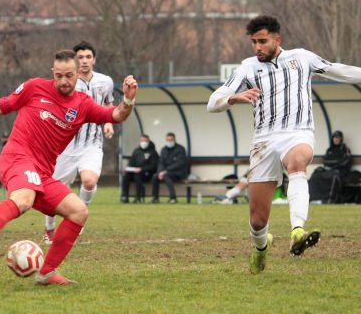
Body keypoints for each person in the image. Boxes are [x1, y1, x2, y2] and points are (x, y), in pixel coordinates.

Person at [0, 49, 138, 285]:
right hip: (17, 157)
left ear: (78, 73)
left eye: (68, 75)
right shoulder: (34, 87)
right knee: (23, 200)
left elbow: (117, 115)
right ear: (52, 73)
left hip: (42, 173)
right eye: (58, 76)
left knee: (79, 211)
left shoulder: (83, 105)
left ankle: (47, 273)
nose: (63, 81)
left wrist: (128, 99)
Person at [207, 15, 361, 274]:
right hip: (263, 141)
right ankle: (260, 246)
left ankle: (297, 231)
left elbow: (339, 70)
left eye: (262, 41)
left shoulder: (301, 57)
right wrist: (234, 97)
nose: (257, 47)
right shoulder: (247, 67)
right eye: (254, 42)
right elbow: (213, 103)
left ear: (277, 40)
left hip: (297, 133)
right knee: (257, 221)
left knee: (298, 162)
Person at [44, 41, 115, 244]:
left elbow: (109, 104)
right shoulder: (66, 83)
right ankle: (49, 227)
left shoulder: (105, 82)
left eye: (88, 57)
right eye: (80, 57)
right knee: (54, 191)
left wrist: (108, 122)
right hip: (65, 146)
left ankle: (78, 219)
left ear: (94, 59)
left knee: (89, 181)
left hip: (92, 144)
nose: (84, 61)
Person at [309, 130, 352, 203]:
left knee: (334, 177)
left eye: (338, 138)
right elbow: (325, 161)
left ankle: (328, 200)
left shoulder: (345, 149)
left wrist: (333, 163)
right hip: (329, 171)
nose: (336, 139)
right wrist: (336, 162)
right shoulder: (329, 150)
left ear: (341, 139)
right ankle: (313, 198)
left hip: (340, 173)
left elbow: (343, 162)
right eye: (334, 138)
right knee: (315, 175)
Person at [119, 134, 159, 203]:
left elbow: (153, 166)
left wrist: (142, 169)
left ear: (148, 141)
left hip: (146, 173)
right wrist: (128, 168)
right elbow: (131, 162)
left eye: (145, 141)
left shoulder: (152, 152)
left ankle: (138, 197)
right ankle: (124, 196)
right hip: (135, 171)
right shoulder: (136, 151)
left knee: (138, 176)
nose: (143, 142)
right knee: (126, 176)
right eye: (142, 140)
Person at [152, 132, 189, 204]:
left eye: (171, 140)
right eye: (167, 140)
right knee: (155, 176)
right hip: (165, 172)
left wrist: (165, 171)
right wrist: (160, 172)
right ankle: (155, 198)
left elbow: (179, 163)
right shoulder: (164, 149)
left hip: (178, 173)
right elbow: (161, 162)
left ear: (174, 139)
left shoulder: (180, 149)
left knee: (166, 176)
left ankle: (173, 198)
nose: (169, 141)